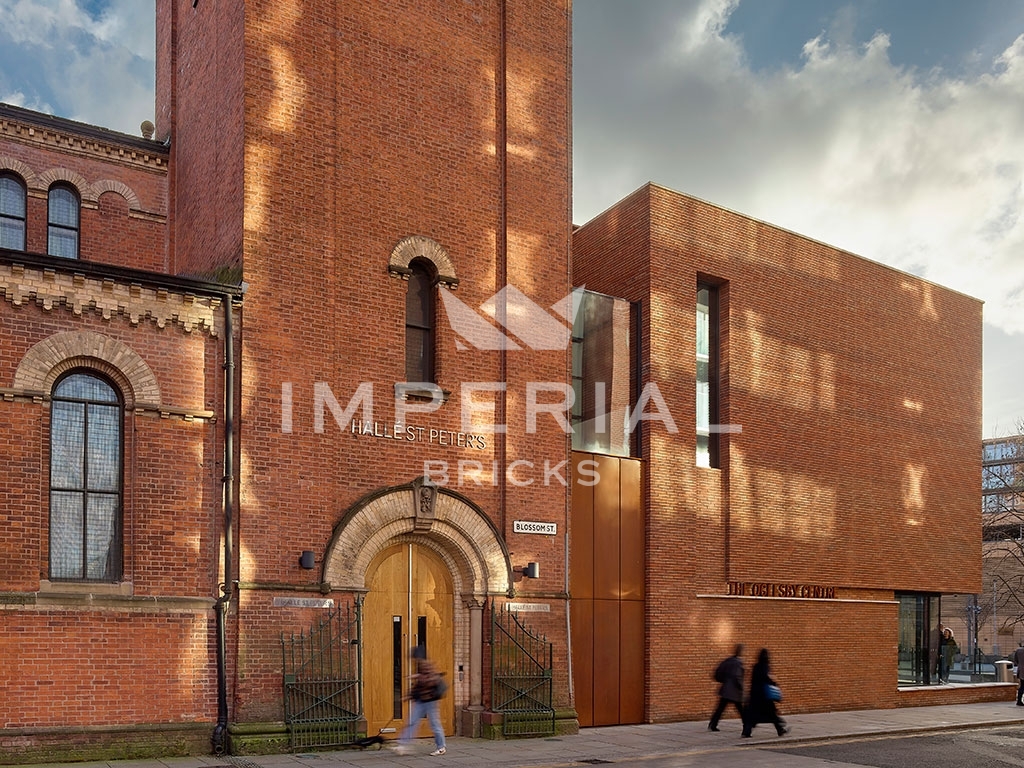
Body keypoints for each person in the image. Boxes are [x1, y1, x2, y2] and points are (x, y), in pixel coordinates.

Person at [395, 656, 448, 756]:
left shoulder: (433, 677)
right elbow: (417, 689)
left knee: (435, 724)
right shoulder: (421, 677)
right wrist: (408, 696)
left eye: (425, 667)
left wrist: (418, 677)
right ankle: (403, 744)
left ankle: (441, 747)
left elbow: (431, 683)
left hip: (431, 703)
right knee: (412, 721)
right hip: (421, 702)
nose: (423, 668)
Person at [741, 648, 788, 738]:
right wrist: (774, 683)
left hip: (755, 695)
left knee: (752, 714)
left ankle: (747, 731)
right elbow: (766, 679)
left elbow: (752, 680)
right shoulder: (765, 666)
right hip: (764, 695)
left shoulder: (755, 666)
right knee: (771, 713)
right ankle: (780, 728)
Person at [708, 644, 745, 731]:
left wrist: (724, 681)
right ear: (741, 652)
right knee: (741, 710)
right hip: (734, 691)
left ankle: (713, 724)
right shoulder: (738, 663)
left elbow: (718, 672)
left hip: (725, 689)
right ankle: (747, 725)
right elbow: (737, 676)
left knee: (720, 708)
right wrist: (741, 687)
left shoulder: (728, 661)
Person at [1012, 641, 1024, 705]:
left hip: (1021, 670)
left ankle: (1019, 700)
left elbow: (1015, 661)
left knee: (1022, 686)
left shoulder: (1018, 650)